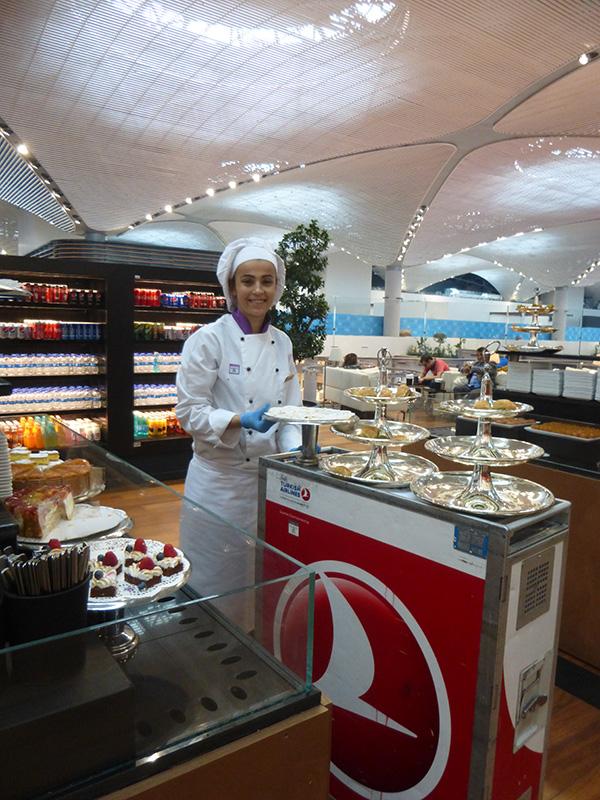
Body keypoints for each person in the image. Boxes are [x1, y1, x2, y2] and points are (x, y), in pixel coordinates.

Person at [176, 239, 302, 613]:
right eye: (248, 281)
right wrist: (236, 419)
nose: (257, 290)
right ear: (232, 287)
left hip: (267, 482)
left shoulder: (283, 342)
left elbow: (291, 409)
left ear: (277, 288)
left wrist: (294, 450)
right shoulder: (208, 340)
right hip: (219, 483)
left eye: (266, 281)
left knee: (259, 578)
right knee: (213, 579)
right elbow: (189, 412)